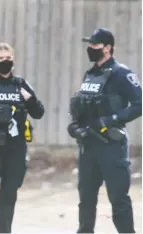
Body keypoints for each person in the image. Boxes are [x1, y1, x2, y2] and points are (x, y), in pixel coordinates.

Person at [68, 28, 142, 233]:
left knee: (119, 200)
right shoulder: (90, 74)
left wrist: (111, 120)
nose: (90, 49)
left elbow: (139, 104)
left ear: (108, 48)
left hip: (111, 147)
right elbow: (83, 105)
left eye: (95, 45)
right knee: (86, 200)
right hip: (88, 147)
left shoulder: (122, 74)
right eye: (89, 45)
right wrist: (74, 125)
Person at [0, 43, 45, 233]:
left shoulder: (20, 84)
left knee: (8, 198)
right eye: (1, 59)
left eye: (8, 58)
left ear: (13, 60)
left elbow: (38, 113)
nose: (5, 62)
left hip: (16, 151)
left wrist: (30, 99)